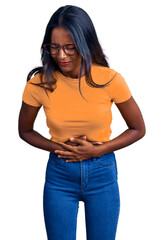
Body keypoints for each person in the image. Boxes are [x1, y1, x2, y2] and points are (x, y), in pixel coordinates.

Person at [18, 5, 146, 240]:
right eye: (54, 47)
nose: (62, 55)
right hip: (59, 175)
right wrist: (58, 148)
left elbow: (138, 128)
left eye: (70, 47)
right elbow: (25, 131)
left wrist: (98, 149)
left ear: (86, 43)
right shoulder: (38, 84)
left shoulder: (110, 80)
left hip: (102, 173)